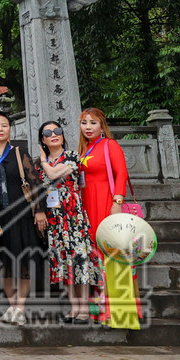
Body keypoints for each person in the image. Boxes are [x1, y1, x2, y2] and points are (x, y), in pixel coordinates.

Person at [0, 112, 44, 326]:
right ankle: (11, 303)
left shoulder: (19, 153)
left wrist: (39, 210)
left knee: (23, 261)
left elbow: (35, 183)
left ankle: (21, 306)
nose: (0, 129)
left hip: (21, 214)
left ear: (10, 129)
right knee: (4, 262)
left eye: (4, 125)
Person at [34, 120, 101, 323]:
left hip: (73, 215)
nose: (54, 134)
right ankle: (73, 307)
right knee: (63, 262)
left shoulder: (72, 156)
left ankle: (83, 307)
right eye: (48, 132)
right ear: (43, 139)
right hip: (54, 217)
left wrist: (44, 161)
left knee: (80, 260)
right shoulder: (39, 165)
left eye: (58, 131)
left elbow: (54, 174)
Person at [78, 107, 137, 326]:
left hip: (106, 202)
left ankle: (120, 313)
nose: (88, 127)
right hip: (87, 205)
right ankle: (101, 309)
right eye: (84, 123)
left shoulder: (109, 145)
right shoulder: (85, 148)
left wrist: (117, 201)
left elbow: (121, 172)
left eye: (93, 123)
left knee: (112, 252)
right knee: (96, 255)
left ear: (102, 125)